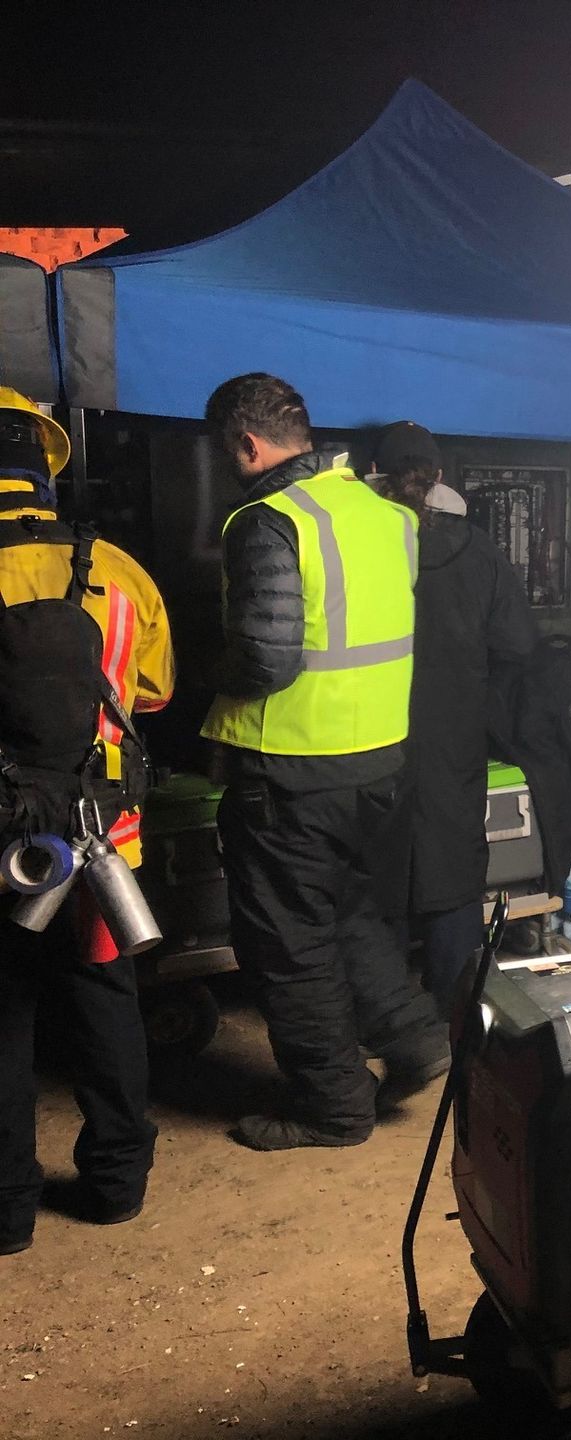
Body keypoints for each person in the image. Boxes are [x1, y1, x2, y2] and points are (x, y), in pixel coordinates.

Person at [200, 374, 447, 1150]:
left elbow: (268, 661)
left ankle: (334, 1107)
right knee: (349, 912)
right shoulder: (387, 515)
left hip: (290, 769)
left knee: (287, 943)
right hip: (377, 758)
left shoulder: (269, 520)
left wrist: (208, 681)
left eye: (222, 450)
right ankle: (416, 1039)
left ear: (246, 443)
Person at [0, 390, 174, 1254]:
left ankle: (5, 1213)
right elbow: (156, 692)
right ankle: (116, 1187)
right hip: (104, 836)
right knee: (106, 1002)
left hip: (3, 844)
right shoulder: (119, 568)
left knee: (3, 1017)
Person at [365, 422, 537, 1018]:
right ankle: (453, 1004)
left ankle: (388, 1014)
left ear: (376, 477)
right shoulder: (480, 550)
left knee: (375, 869)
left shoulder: (361, 544)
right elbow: (518, 641)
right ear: (439, 477)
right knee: (452, 861)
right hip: (453, 730)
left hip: (370, 730)